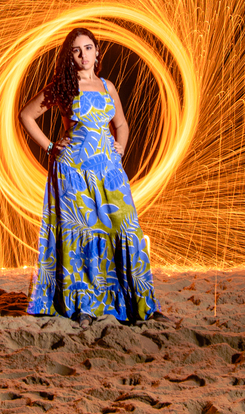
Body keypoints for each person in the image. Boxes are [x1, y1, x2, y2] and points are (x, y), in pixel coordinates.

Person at [19, 27, 160, 325]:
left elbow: (121, 124)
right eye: (77, 50)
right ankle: (84, 306)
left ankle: (142, 306)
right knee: (83, 236)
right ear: (70, 57)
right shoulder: (63, 86)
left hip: (109, 172)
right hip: (73, 170)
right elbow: (26, 115)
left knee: (126, 229)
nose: (84, 55)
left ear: (97, 52)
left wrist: (120, 147)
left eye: (89, 48)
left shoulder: (108, 86)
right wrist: (50, 147)